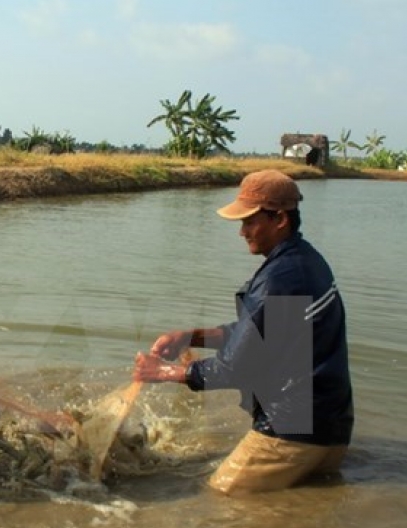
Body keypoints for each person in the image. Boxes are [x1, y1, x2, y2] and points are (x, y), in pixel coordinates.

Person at [133, 169, 354, 495]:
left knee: (222, 498)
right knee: (308, 506)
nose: (242, 231)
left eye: (250, 221)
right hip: (332, 429)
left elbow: (234, 368)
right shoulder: (308, 262)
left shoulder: (278, 278)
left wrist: (165, 372)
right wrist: (190, 337)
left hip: (291, 429)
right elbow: (261, 333)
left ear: (279, 218)